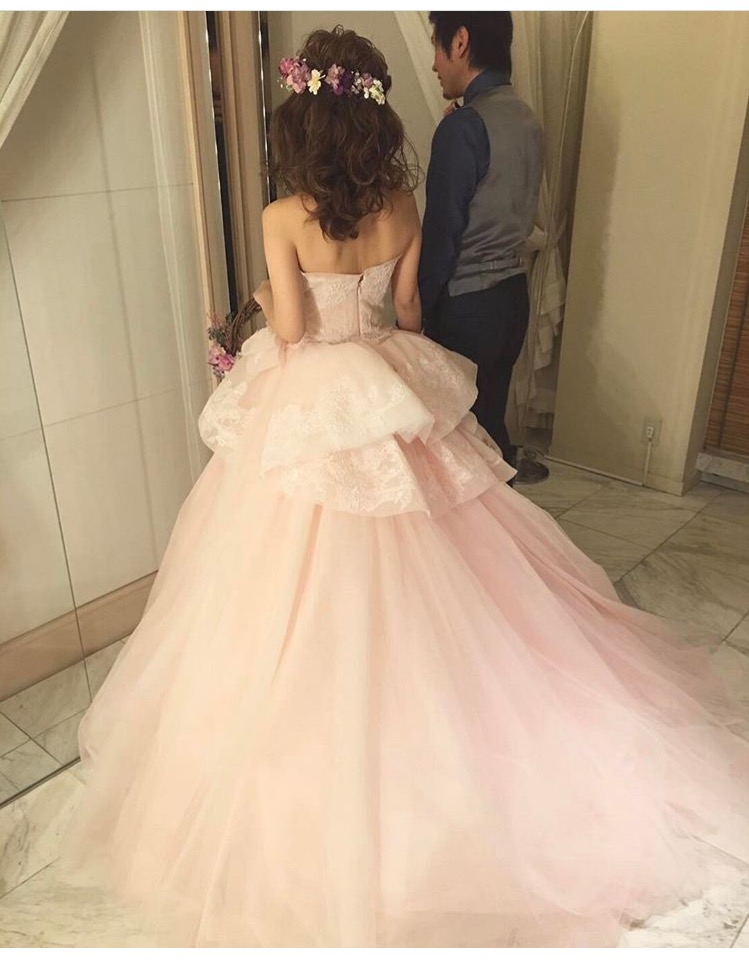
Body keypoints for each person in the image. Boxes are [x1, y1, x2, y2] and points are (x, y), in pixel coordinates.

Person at [59, 26, 749, 950]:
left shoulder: (280, 215)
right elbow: (411, 310)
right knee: (443, 549)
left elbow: (294, 331)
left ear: (301, 120)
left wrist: (260, 302)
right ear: (374, 117)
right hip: (386, 369)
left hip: (314, 390)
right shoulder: (399, 203)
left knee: (282, 571)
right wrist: (387, 340)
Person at [419, 12, 547, 484]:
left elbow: (442, 238)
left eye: (436, 47)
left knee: (458, 453)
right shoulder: (526, 118)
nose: (435, 64)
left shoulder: (464, 128)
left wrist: (419, 315)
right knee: (490, 433)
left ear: (460, 41)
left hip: (467, 306)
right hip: (512, 298)